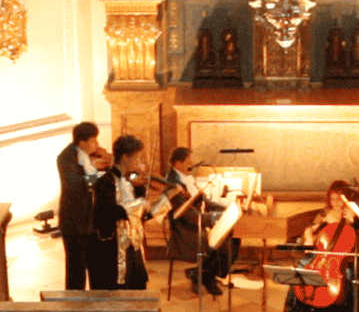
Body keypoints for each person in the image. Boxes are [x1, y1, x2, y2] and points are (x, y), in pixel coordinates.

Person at [283, 181, 359, 312]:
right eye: (333, 199)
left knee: (347, 275)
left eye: (340, 198)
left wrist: (356, 222)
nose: (336, 203)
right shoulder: (325, 213)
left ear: (347, 198)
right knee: (303, 265)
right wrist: (309, 236)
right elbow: (309, 229)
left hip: (350, 257)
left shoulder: (357, 213)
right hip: (325, 254)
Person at [91, 133, 170, 290]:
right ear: (125, 157)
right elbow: (106, 213)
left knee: (138, 285)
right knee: (120, 291)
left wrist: (165, 199)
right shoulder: (105, 182)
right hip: (113, 251)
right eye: (137, 157)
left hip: (133, 247)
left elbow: (141, 215)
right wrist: (139, 204)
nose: (139, 162)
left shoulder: (129, 182)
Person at [165, 147, 247, 297]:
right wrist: (214, 218)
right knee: (223, 241)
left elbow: (204, 201)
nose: (193, 164)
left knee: (234, 238)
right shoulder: (171, 184)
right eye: (189, 162)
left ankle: (202, 274)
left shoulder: (186, 177)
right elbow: (189, 217)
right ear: (178, 164)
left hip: (197, 223)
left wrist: (226, 209)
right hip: (185, 231)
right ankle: (207, 276)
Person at [56, 121, 111, 290]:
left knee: (96, 266)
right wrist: (95, 171)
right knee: (76, 270)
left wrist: (103, 165)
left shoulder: (87, 155)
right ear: (82, 142)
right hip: (75, 222)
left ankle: (97, 304)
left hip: (91, 222)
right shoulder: (66, 158)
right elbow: (76, 184)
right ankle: (75, 308)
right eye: (94, 141)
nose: (97, 145)